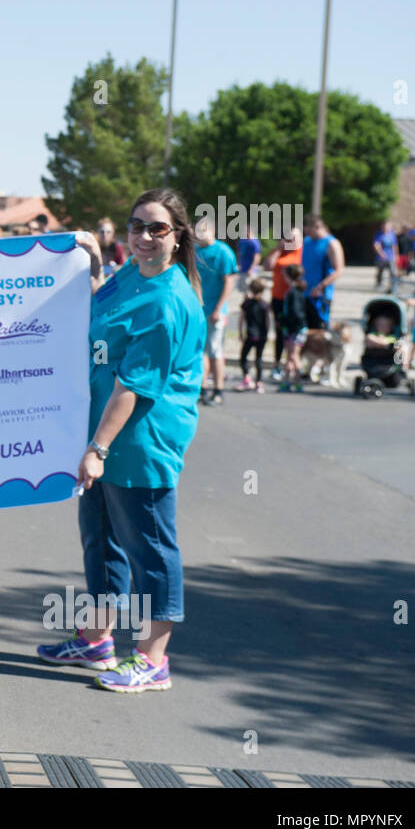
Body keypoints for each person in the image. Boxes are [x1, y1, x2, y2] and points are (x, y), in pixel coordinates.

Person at [36, 187, 204, 692]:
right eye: (137, 226)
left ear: (178, 237)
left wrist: (98, 449)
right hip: (102, 433)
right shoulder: (133, 274)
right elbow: (96, 309)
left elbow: (134, 386)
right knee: (101, 539)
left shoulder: (167, 300)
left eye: (157, 229)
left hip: (138, 441)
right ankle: (97, 639)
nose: (145, 236)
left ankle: (153, 659)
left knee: (149, 549)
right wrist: (91, 262)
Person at [192, 218, 238, 405]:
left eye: (202, 230)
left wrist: (219, 308)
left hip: (215, 311)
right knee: (199, 351)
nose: (198, 234)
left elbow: (229, 281)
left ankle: (218, 389)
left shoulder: (223, 252)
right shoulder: (194, 252)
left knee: (215, 350)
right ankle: (202, 389)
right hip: (198, 310)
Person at [262, 227, 302, 381]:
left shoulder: (301, 252)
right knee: (280, 332)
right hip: (278, 298)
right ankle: (277, 364)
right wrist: (278, 248)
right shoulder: (280, 251)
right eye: (288, 238)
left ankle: (293, 365)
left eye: (294, 238)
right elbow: (267, 266)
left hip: (294, 299)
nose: (291, 241)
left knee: (295, 334)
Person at [300, 214, 345, 328]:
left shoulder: (331, 243)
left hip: (320, 295)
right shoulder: (307, 241)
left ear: (318, 226)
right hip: (304, 293)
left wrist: (320, 286)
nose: (308, 234)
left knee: (319, 330)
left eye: (309, 231)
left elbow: (339, 270)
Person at [278, 264, 309, 392]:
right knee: (290, 356)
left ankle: (299, 381)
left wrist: (284, 320)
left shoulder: (293, 293)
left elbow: (295, 313)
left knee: (294, 355)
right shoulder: (296, 291)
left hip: (294, 329)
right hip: (295, 328)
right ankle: (286, 381)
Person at [237, 277, 271, 393]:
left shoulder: (247, 304)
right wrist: (268, 333)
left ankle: (247, 377)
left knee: (243, 357)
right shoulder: (265, 305)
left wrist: (240, 332)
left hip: (251, 334)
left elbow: (241, 319)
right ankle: (259, 382)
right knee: (259, 358)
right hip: (262, 335)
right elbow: (267, 321)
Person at [373, 220, 398, 293]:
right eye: (384, 227)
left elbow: (394, 246)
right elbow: (376, 245)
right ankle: (379, 284)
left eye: (387, 227)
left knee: (393, 272)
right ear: (382, 227)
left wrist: (396, 255)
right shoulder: (378, 234)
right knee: (380, 272)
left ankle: (392, 287)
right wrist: (381, 253)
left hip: (390, 257)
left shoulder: (392, 234)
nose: (385, 228)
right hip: (381, 258)